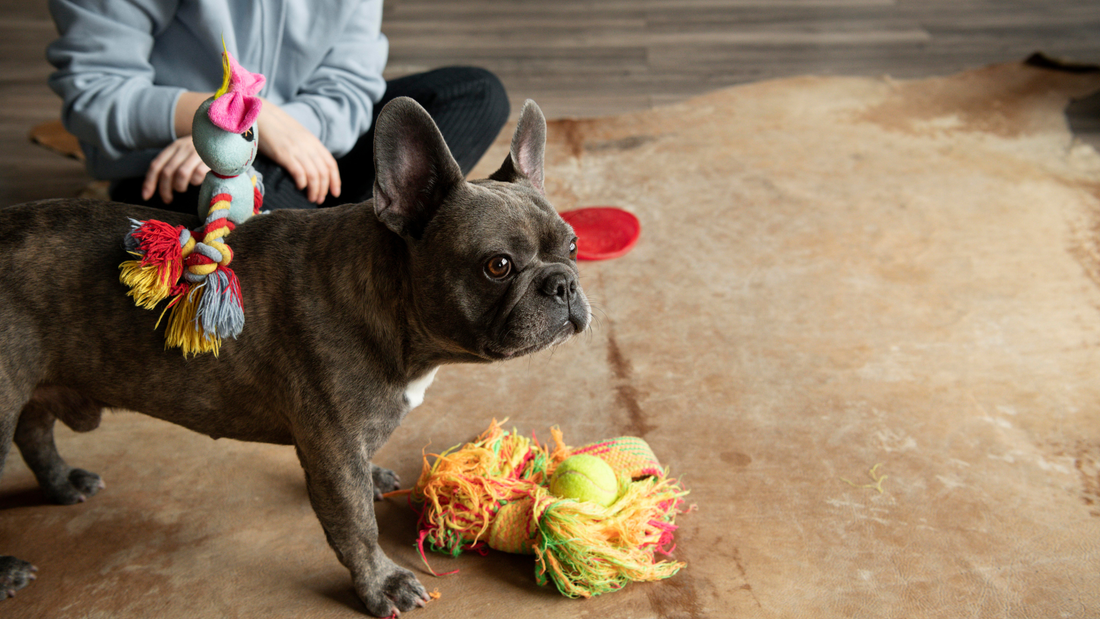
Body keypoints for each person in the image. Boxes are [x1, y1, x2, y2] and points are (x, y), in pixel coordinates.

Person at [46, 0, 510, 213]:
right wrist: (234, 120)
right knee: (222, 208)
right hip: (181, 167)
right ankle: (353, 240)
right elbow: (96, 92)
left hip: (307, 145)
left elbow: (347, 89)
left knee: (475, 94)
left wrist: (275, 127)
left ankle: (330, 240)